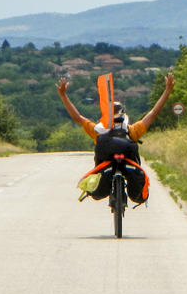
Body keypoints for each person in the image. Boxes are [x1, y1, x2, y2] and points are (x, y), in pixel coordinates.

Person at [56, 71, 175, 203]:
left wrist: (63, 95)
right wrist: (167, 91)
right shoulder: (131, 131)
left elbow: (77, 117)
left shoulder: (99, 131)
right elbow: (153, 113)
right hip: (127, 161)